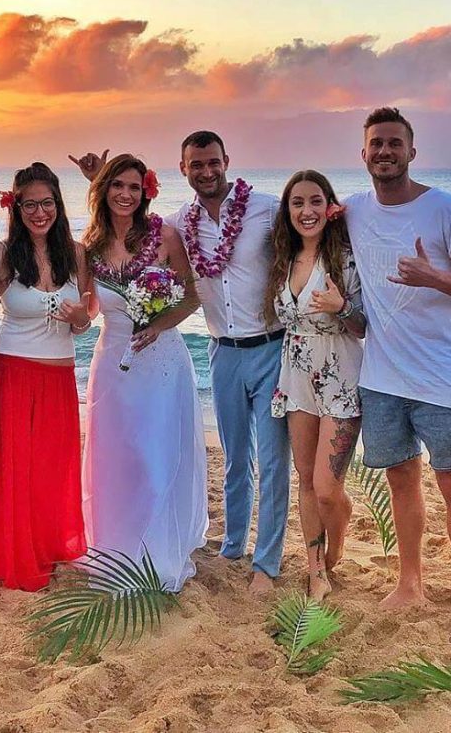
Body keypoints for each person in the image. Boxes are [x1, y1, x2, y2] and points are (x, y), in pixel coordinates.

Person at [71, 133, 291, 595]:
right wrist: (100, 182)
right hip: (202, 353)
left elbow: (190, 294)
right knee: (223, 457)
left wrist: (158, 324)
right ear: (183, 169)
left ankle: (265, 561)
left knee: (266, 459)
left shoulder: (265, 209)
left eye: (213, 162)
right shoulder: (172, 223)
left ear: (226, 161)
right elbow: (91, 295)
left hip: (258, 348)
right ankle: (231, 545)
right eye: (197, 164)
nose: (206, 171)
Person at [344, 107, 451, 643]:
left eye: (395, 143)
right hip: (381, 377)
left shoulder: (445, 208)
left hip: (439, 378)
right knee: (401, 480)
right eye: (377, 144)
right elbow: (303, 218)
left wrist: (434, 276)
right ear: (363, 154)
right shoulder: (354, 210)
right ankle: (410, 582)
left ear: (412, 151)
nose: (385, 152)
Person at [81, 154, 208, 591]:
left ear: (145, 192)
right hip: (112, 362)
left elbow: (191, 297)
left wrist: (157, 324)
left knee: (155, 457)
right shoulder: (90, 245)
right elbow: (89, 309)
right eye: (117, 185)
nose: (126, 194)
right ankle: (115, 549)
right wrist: (67, 317)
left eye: (134, 187)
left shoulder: (164, 235)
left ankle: (157, 553)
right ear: (104, 190)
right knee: (116, 459)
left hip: (161, 361)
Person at [0, 162, 94, 591]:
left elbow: (85, 320)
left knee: (51, 470)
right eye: (30, 205)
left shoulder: (76, 254)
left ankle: (47, 546)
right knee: (14, 471)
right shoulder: (2, 256)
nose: (40, 213)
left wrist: (79, 319)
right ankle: (14, 554)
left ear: (58, 204)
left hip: (59, 378)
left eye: (47, 203)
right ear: (16, 208)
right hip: (13, 374)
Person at [264, 170, 365, 601]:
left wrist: (342, 308)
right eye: (297, 203)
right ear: (287, 211)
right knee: (306, 480)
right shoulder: (282, 260)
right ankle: (316, 570)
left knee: (328, 488)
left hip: (341, 376)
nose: (307, 211)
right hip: (296, 375)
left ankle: (338, 534)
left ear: (329, 207)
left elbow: (363, 327)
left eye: (315, 201)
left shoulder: (345, 259)